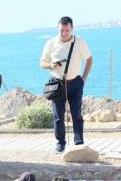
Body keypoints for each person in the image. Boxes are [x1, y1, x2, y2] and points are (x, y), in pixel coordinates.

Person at [40, 16, 93, 154]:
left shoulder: (79, 42)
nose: (64, 33)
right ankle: (60, 143)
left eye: (67, 30)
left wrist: (83, 79)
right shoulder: (51, 43)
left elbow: (89, 59)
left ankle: (79, 142)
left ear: (72, 29)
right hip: (57, 83)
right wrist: (50, 65)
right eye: (61, 30)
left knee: (77, 114)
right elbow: (42, 63)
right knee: (58, 117)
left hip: (75, 82)